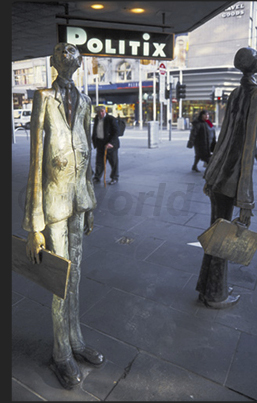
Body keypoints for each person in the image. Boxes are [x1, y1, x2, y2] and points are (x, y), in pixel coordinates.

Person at [23, 43, 104, 390]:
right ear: (55, 63)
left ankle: (75, 339)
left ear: (79, 64)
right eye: (62, 54)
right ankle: (61, 354)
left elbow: (87, 156)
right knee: (61, 279)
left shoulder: (85, 102)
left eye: (74, 55)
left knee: (78, 275)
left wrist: (89, 203)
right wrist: (34, 225)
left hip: (76, 202)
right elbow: (35, 161)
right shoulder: (44, 97)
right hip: (53, 204)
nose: (68, 58)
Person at [196, 47, 257, 309]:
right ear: (254, 65)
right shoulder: (255, 94)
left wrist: (210, 174)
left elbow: (223, 137)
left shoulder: (236, 93)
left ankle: (208, 288)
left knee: (216, 232)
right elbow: (248, 148)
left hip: (218, 174)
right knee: (222, 238)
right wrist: (246, 200)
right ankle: (216, 295)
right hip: (231, 177)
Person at [92, 105, 120, 185]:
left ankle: (114, 178)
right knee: (99, 162)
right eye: (98, 112)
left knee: (113, 162)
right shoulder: (96, 119)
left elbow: (116, 132)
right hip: (100, 144)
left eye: (102, 111)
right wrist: (95, 142)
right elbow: (95, 131)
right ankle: (97, 177)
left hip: (110, 145)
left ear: (105, 111)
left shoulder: (111, 119)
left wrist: (111, 143)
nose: (100, 113)